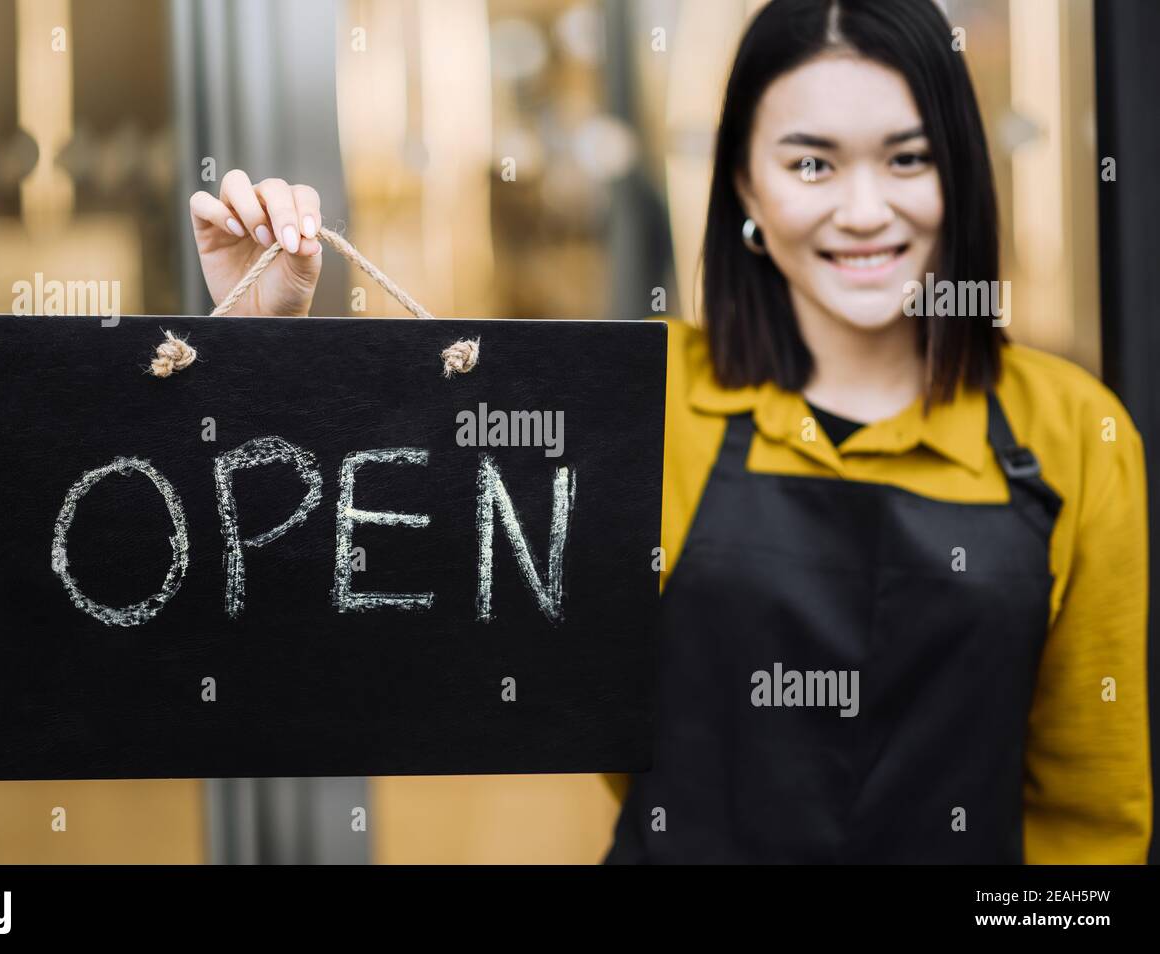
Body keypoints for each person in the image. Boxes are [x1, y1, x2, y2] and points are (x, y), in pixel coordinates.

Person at [188, 0, 1150, 864]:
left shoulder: (1071, 430)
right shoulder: (633, 391)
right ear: (744, 188)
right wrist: (263, 351)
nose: (865, 210)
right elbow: (355, 571)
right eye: (811, 161)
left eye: (908, 157)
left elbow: (1092, 814)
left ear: (960, 172)